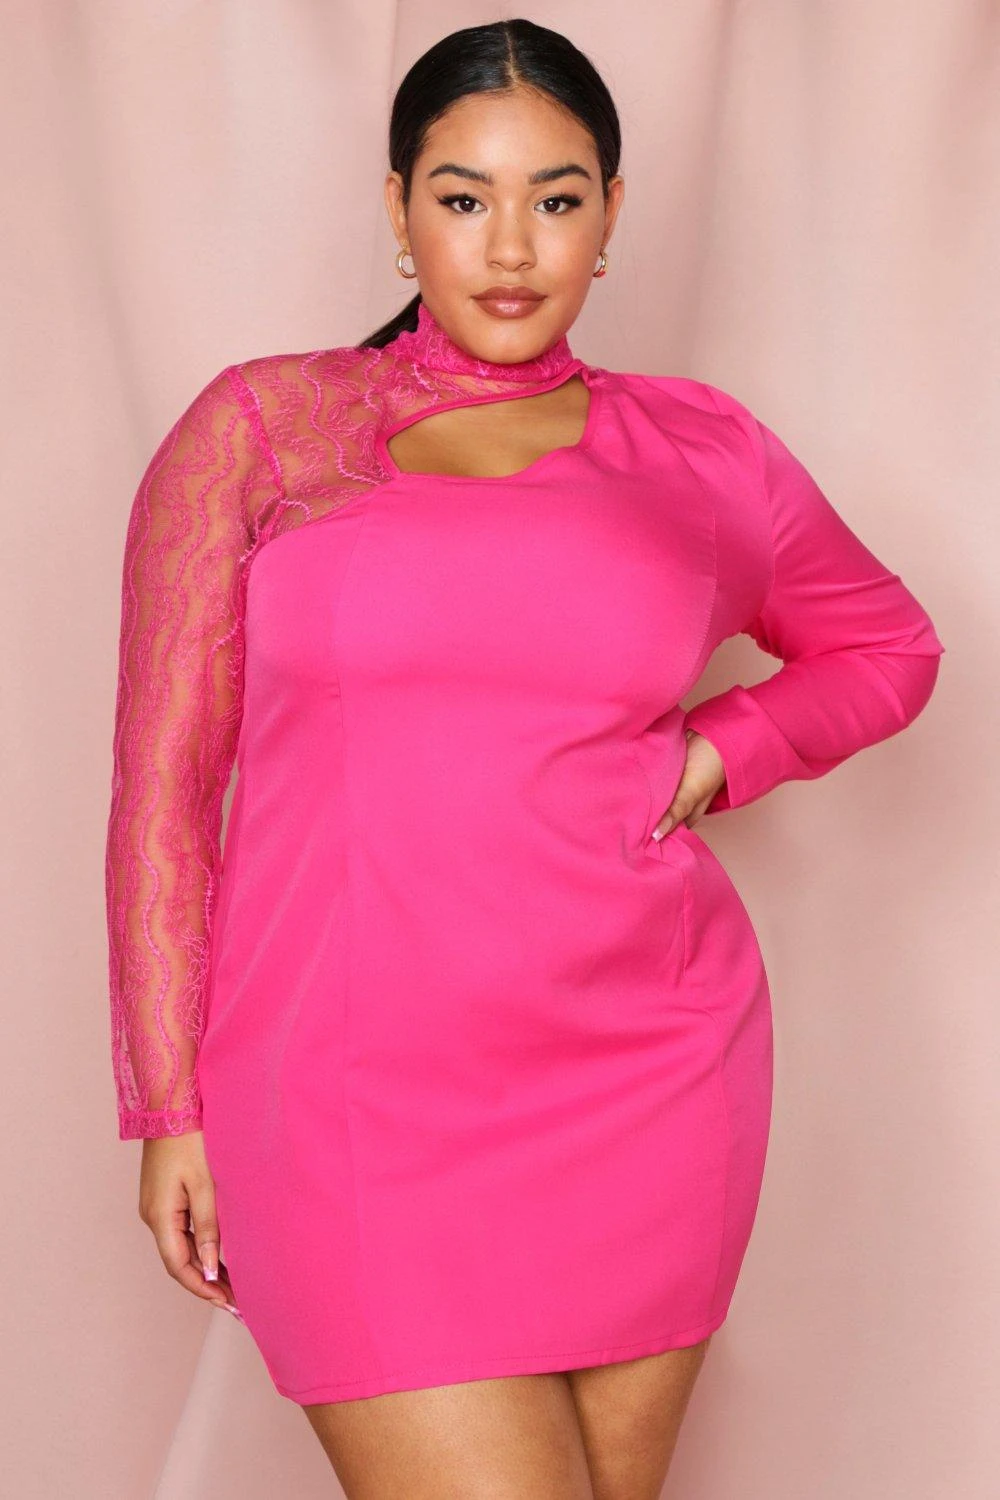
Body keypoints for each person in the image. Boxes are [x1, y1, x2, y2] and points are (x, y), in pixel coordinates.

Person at [104, 18, 945, 1498]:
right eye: (463, 195)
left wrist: (724, 749)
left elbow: (889, 646)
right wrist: (169, 1106)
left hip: (646, 1075)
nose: (510, 246)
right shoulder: (261, 432)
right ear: (398, 207)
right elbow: (164, 796)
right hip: (346, 1096)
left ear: (611, 215)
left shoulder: (702, 453)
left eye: (556, 199)